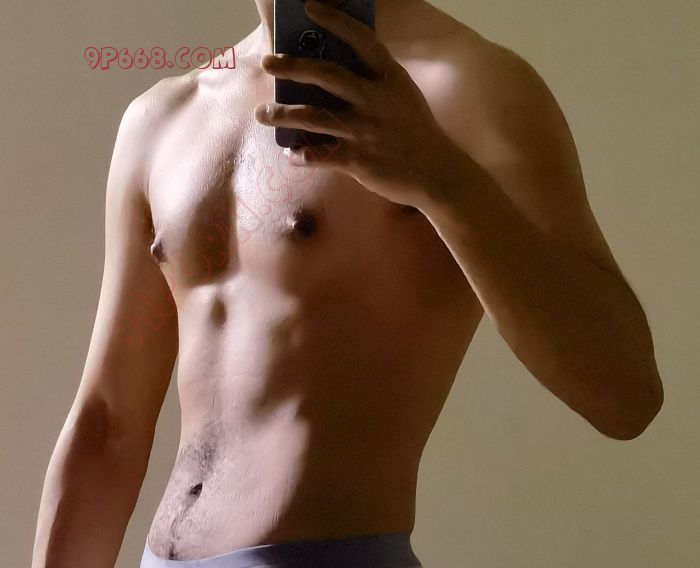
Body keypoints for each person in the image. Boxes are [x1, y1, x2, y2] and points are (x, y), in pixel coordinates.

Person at [31, 0, 664, 566]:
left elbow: (625, 395)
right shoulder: (162, 117)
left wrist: (442, 178)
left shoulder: (466, 86)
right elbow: (106, 425)